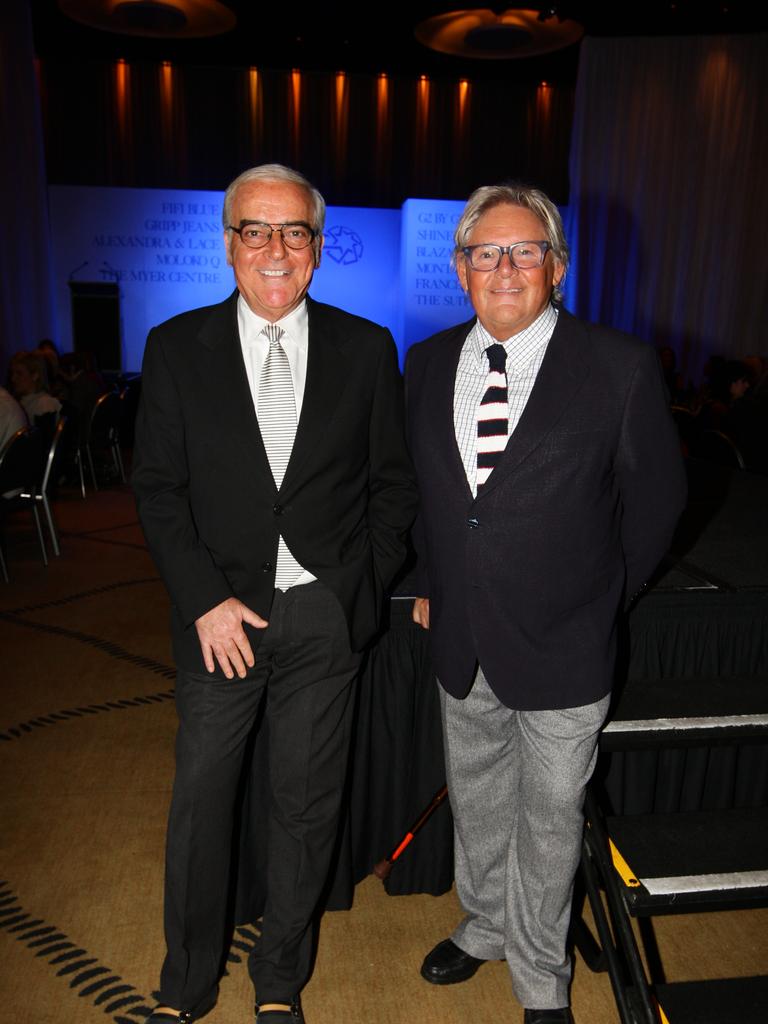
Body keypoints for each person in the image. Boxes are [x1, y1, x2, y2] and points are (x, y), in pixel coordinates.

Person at [132, 163, 417, 1024]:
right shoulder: (176, 347)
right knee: (201, 808)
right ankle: (185, 985)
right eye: (255, 230)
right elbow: (157, 489)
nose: (275, 248)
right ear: (227, 244)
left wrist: (353, 595)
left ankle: (280, 984)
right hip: (223, 620)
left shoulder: (367, 350)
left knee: (304, 810)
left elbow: (393, 489)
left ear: (319, 248)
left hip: (323, 621)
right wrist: (203, 599)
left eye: (294, 231)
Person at [405, 183, 686, 1024]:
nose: (505, 269)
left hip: (567, 644)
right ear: (460, 270)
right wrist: (429, 579)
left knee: (551, 817)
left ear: (555, 268)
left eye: (525, 251)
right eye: (486, 252)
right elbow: (428, 495)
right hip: (463, 634)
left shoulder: (618, 365)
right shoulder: (423, 364)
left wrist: (604, 594)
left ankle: (538, 978)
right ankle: (485, 924)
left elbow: (659, 503)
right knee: (480, 798)